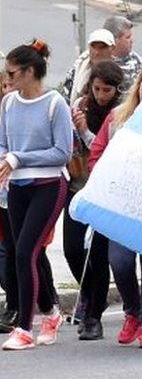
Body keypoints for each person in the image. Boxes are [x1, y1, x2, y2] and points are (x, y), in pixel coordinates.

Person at [89, 61, 142, 349]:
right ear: (138, 86)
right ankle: (132, 312)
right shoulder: (117, 119)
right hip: (122, 204)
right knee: (120, 262)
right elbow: (96, 155)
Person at [0, 40, 73, 351]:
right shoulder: (8, 103)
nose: (8, 78)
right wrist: (6, 161)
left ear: (30, 72)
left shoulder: (55, 103)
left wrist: (19, 158)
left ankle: (24, 329)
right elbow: (3, 144)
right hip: (17, 186)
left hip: (49, 185)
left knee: (24, 252)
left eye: (13, 73)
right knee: (27, 252)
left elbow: (62, 152)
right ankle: (52, 313)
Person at [64, 61, 125, 341]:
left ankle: (93, 317)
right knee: (72, 250)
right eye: (97, 88)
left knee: (98, 256)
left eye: (107, 90)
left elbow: (108, 153)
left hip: (105, 192)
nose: (101, 95)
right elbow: (71, 146)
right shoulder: (80, 104)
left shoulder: (119, 114)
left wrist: (86, 130)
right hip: (78, 186)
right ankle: (89, 293)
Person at [60, 28, 116, 103]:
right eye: (93, 47)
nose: (97, 52)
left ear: (112, 49)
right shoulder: (77, 70)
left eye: (102, 47)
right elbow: (65, 98)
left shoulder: (120, 73)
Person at [103, 16, 142, 88]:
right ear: (114, 40)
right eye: (128, 37)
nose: (132, 41)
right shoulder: (100, 61)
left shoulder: (136, 59)